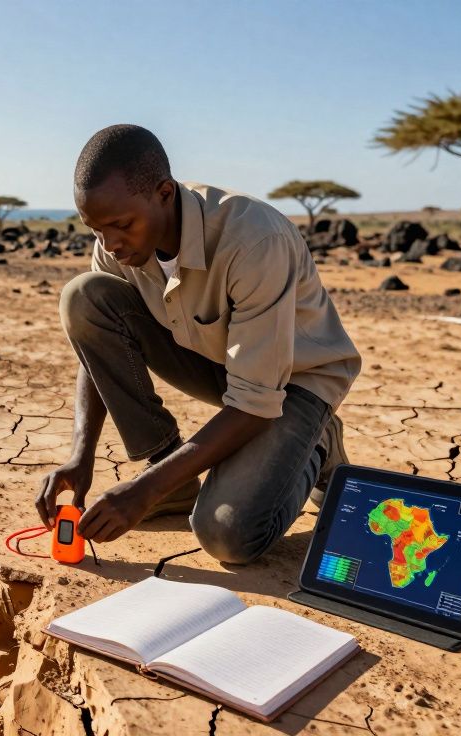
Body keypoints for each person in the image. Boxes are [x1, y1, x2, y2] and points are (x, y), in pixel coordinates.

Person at [35, 124, 362, 564]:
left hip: (294, 383)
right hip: (220, 364)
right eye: (96, 230)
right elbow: (97, 342)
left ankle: (317, 441)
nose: (110, 244)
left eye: (121, 226)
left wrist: (144, 491)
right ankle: (166, 467)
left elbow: (255, 399)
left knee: (227, 535)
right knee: (83, 296)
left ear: (164, 194)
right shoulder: (117, 246)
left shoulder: (254, 241)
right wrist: (81, 456)